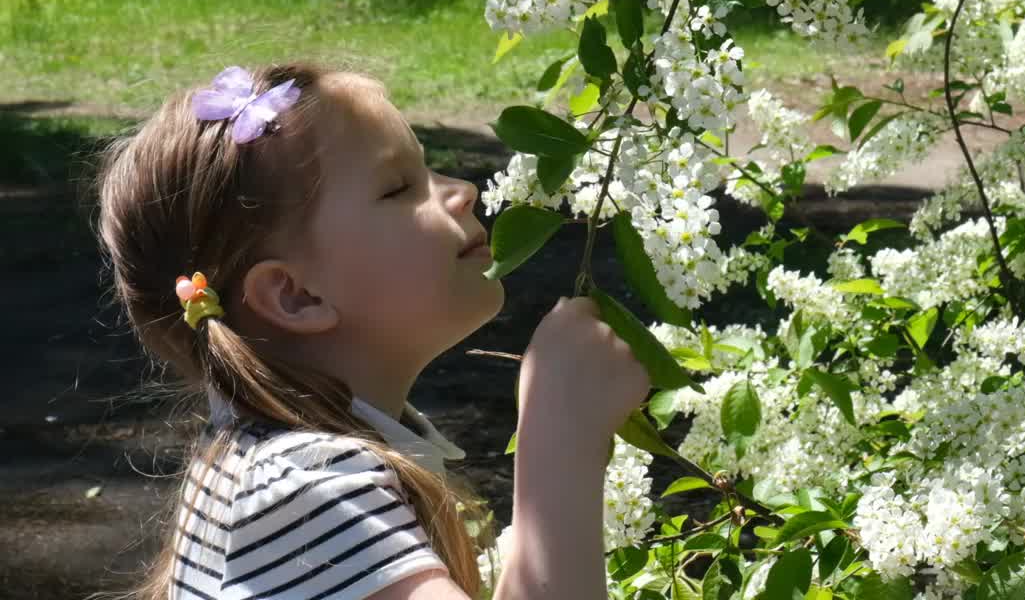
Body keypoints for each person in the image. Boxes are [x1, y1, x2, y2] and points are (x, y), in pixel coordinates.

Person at [95, 62, 650, 600]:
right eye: (397, 188)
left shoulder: (279, 461)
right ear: (296, 295)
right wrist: (560, 436)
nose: (462, 191)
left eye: (427, 169)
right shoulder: (302, 488)